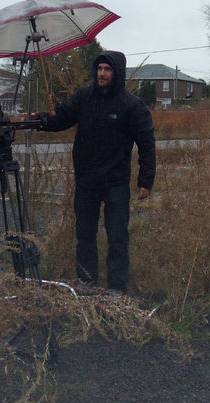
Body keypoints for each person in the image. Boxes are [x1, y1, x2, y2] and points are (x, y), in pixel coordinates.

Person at [40, 50, 155, 294]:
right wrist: (41, 119)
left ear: (117, 73)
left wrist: (145, 180)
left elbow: (146, 144)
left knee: (117, 237)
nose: (102, 74)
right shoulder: (83, 97)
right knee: (84, 234)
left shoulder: (132, 106)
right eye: (99, 69)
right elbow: (61, 118)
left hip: (116, 182)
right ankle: (86, 282)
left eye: (107, 69)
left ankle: (116, 288)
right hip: (87, 181)